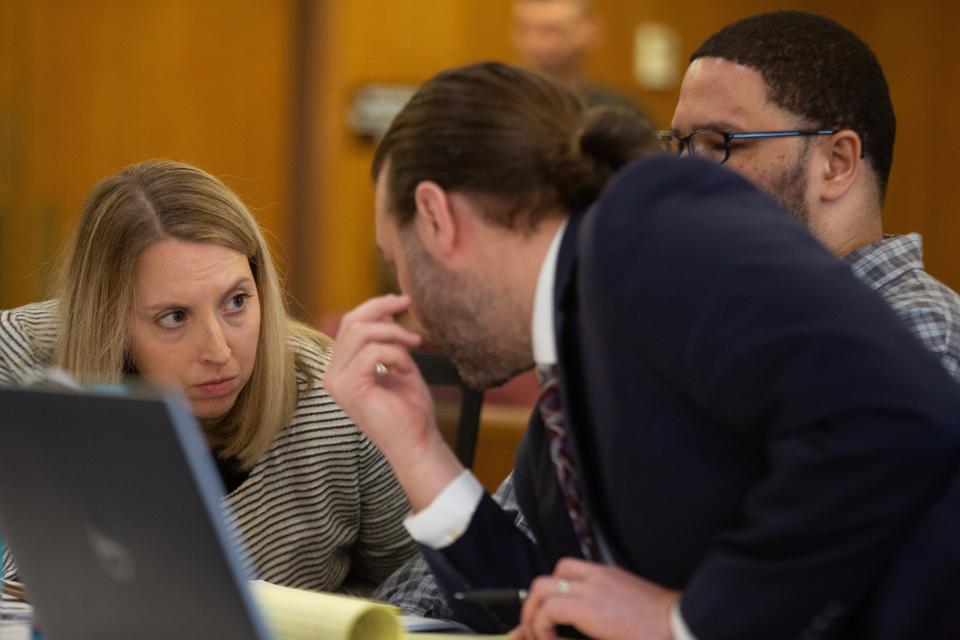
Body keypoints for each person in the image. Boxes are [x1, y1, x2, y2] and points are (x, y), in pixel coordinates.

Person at [324, 61, 960, 639]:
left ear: (437, 218)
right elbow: (546, 609)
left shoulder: (649, 220)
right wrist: (415, 447)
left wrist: (685, 620)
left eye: (396, 259)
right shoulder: (570, 359)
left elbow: (898, 413)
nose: (404, 295)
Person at [0, 159, 417, 593]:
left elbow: (414, 591)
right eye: (175, 317)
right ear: (112, 322)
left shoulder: (336, 398)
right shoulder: (16, 360)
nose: (219, 351)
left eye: (236, 301)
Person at [665, 10, 960, 380]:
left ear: (837, 163)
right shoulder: (760, 317)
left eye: (723, 143)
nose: (685, 173)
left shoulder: (911, 337)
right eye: (679, 144)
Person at [511, 0, 644, 113]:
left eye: (556, 30)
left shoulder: (622, 113)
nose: (542, 45)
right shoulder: (498, 107)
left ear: (593, 29)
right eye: (527, 29)